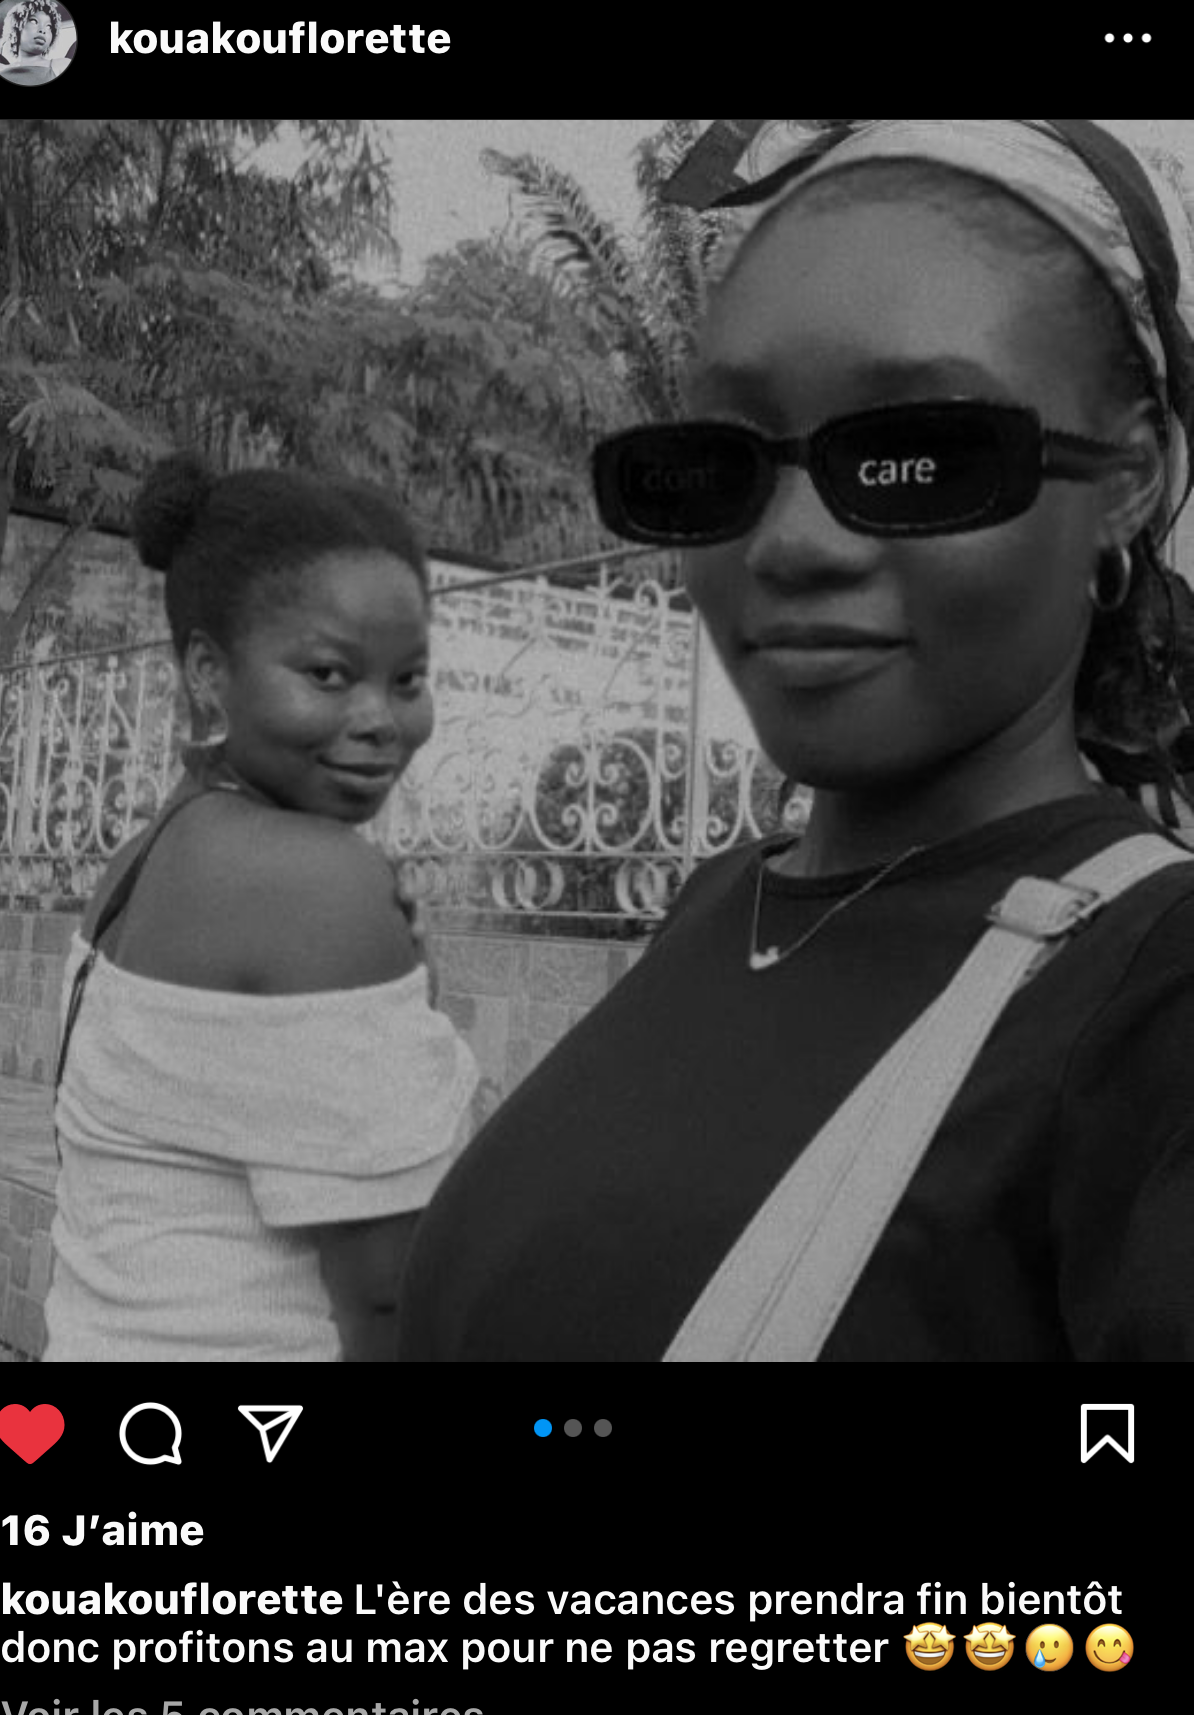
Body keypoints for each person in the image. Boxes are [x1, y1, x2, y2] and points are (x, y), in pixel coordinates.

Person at [399, 118, 1194, 1363]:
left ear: (1129, 480)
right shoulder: (725, 898)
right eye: (720, 464)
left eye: (917, 453)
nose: (787, 545)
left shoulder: (1156, 992)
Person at [44, 455, 477, 1362]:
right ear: (208, 670)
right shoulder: (312, 883)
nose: (381, 719)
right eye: (328, 673)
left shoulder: (145, 859)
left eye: (407, 679)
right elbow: (400, 1294)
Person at [0, 0, 73, 85]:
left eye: (49, 26)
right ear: (16, 28)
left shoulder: (62, 65)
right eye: (34, 21)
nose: (43, 30)